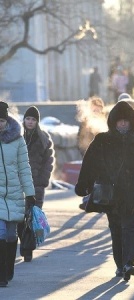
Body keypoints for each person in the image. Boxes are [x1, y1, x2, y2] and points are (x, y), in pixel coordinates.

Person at [74, 101, 134, 281]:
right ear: (113, 122)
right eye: (120, 121)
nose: (123, 124)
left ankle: (128, 263)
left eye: (126, 121)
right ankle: (120, 265)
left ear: (132, 122)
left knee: (132, 229)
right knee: (116, 231)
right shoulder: (102, 140)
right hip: (112, 196)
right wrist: (84, 185)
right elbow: (90, 164)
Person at [0, 101, 36, 287]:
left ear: (6, 121)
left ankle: (8, 269)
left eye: (2, 120)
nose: (0, 124)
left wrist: (30, 194)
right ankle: (1, 274)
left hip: (14, 194)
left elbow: (24, 168)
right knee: (1, 232)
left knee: (12, 235)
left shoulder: (17, 139)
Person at [17, 106, 55, 262]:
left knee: (32, 217)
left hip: (36, 186)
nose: (30, 122)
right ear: (24, 120)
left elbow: (49, 162)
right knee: (19, 218)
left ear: (37, 121)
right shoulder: (17, 138)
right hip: (17, 185)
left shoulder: (44, 139)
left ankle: (27, 250)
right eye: (28, 119)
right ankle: (24, 244)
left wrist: (42, 182)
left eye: (33, 119)